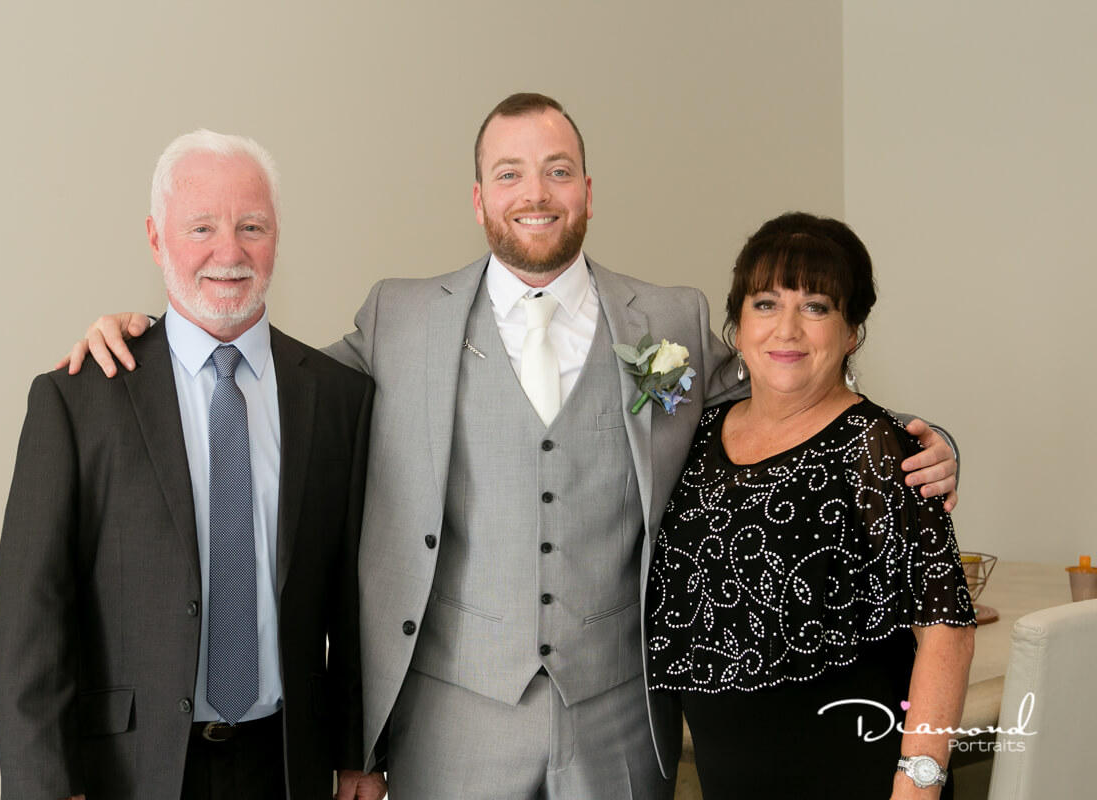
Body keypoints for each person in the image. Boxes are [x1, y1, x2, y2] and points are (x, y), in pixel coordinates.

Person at [59, 95, 960, 799]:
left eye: (558, 171)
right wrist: (158, 342)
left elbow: (786, 397)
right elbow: (278, 388)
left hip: (618, 722)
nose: (536, 193)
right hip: (453, 725)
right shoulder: (400, 319)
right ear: (479, 198)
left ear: (588, 192)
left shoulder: (669, 323)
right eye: (510, 173)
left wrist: (919, 443)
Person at [0, 130, 386, 800]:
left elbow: (353, 602)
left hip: (286, 765)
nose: (229, 252)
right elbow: (30, 620)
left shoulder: (339, 398)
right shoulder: (79, 399)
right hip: (130, 771)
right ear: (156, 238)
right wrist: (45, 787)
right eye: (201, 227)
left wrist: (357, 755)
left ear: (277, 237)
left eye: (251, 226)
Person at [645, 212, 975, 799]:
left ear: (851, 333)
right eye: (766, 304)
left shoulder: (879, 449)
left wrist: (919, 784)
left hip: (857, 776)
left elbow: (946, 629)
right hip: (728, 779)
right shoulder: (698, 434)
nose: (787, 329)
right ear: (738, 326)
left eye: (816, 306)